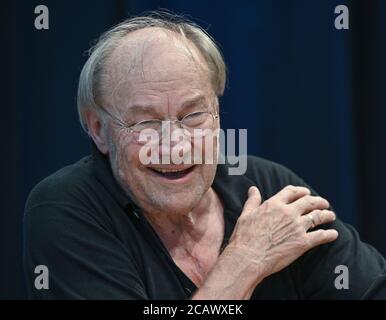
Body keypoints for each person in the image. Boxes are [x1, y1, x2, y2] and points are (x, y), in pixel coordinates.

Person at [23, 12, 386, 299]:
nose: (175, 144)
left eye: (193, 115)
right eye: (146, 122)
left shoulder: (270, 189)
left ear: (217, 113)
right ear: (99, 129)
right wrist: (244, 261)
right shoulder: (65, 207)